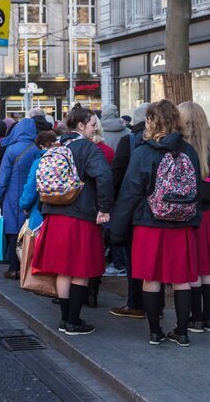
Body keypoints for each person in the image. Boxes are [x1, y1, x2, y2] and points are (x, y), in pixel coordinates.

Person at [110, 100, 201, 346]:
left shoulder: (144, 151)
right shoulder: (189, 151)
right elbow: (197, 189)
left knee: (151, 278)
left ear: (151, 121)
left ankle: (154, 332)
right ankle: (182, 332)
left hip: (149, 223)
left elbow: (130, 193)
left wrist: (116, 231)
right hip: (182, 224)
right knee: (181, 279)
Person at [31, 104, 114, 336]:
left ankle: (64, 319)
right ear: (80, 125)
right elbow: (104, 177)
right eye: (92, 125)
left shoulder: (56, 145)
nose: (95, 130)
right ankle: (74, 321)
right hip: (81, 215)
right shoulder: (90, 149)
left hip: (55, 213)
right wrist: (105, 208)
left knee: (63, 271)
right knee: (81, 270)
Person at [179, 101, 210, 334]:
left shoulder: (183, 150)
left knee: (193, 267)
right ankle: (208, 318)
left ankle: (195, 317)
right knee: (208, 269)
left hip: (189, 215)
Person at [108, 103, 150, 313]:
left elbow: (117, 175)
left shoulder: (130, 141)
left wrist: (111, 204)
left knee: (133, 256)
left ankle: (135, 303)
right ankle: (154, 304)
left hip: (132, 207)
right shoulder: (165, 140)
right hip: (157, 208)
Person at [0, 117, 39, 278]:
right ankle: (27, 268)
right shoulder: (36, 149)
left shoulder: (11, 150)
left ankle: (13, 267)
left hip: (12, 195)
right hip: (32, 195)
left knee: (13, 232)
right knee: (29, 231)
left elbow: (3, 177)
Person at [20, 130, 59, 233]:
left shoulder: (39, 161)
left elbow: (31, 186)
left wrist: (24, 204)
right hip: (61, 210)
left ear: (41, 146)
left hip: (40, 208)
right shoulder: (63, 159)